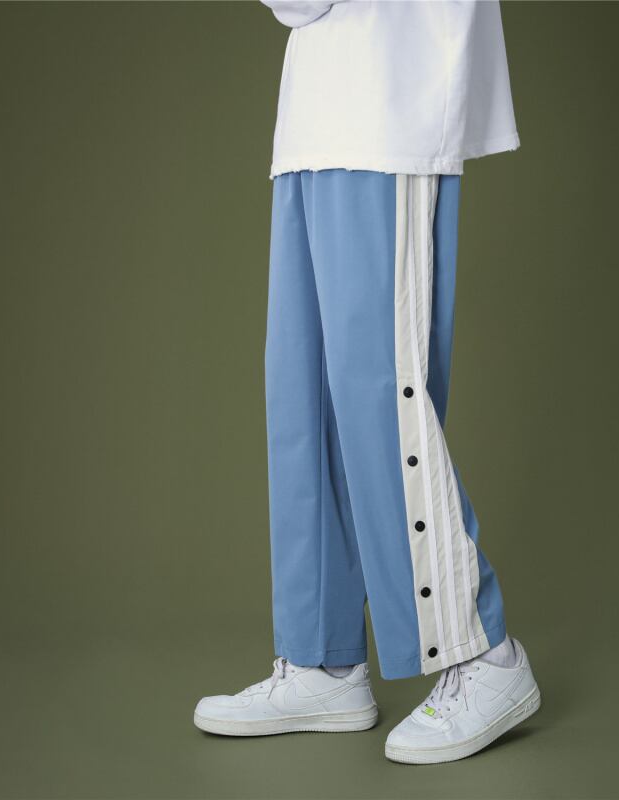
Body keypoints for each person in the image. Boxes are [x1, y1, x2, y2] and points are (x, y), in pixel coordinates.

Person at [194, 0, 540, 764]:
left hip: (389, 104)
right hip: (316, 118)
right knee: (306, 397)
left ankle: (484, 656)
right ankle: (322, 660)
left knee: (380, 393)